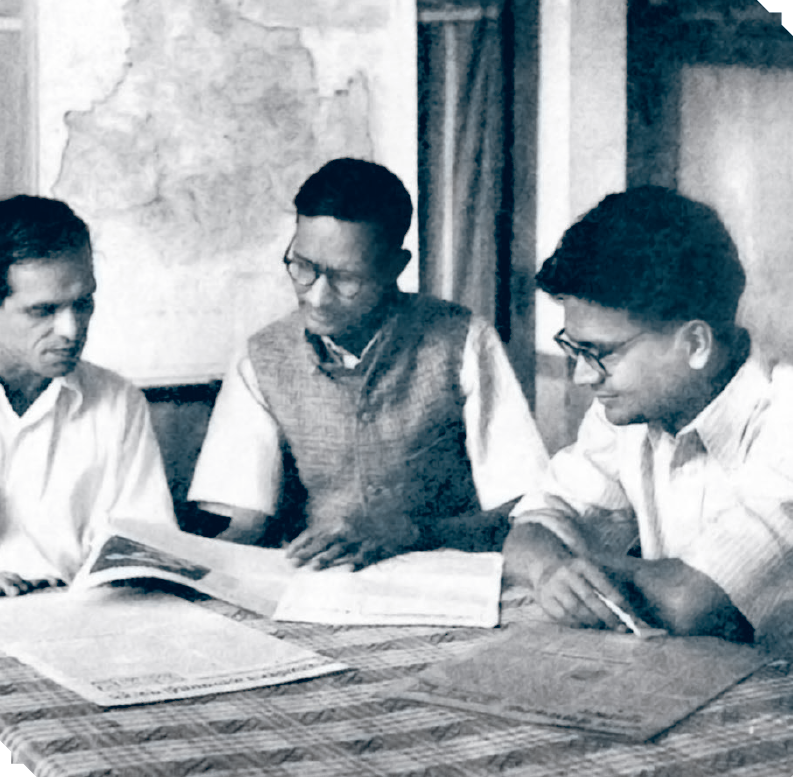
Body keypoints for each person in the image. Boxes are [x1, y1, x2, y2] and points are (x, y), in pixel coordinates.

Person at [188, 157, 548, 569]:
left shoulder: (464, 339)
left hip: (446, 578)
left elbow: (524, 510)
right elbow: (242, 519)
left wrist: (414, 532)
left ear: (397, 266)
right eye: (303, 267)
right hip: (317, 585)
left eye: (346, 278)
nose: (317, 297)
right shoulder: (261, 358)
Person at [503, 185, 793, 649]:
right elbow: (532, 525)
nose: (581, 376)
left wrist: (579, 563)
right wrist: (550, 568)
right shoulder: (627, 411)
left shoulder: (786, 417)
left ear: (695, 344)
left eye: (601, 352)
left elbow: (695, 600)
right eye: (574, 349)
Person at [0, 195, 175, 595]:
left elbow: (145, 546)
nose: (71, 329)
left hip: (81, 618)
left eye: (83, 303)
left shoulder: (117, 401)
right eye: (43, 310)